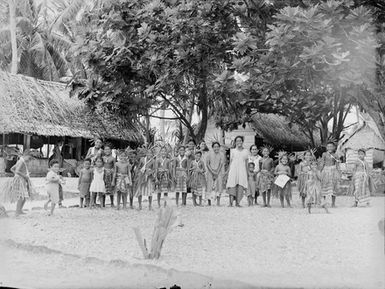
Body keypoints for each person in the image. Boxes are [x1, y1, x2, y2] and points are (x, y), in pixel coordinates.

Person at [7, 151, 33, 216]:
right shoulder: (21, 161)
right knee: (21, 196)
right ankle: (17, 211)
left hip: (20, 179)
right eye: (29, 158)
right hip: (20, 180)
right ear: (25, 155)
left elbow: (12, 169)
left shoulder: (20, 161)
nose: (29, 160)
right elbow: (17, 171)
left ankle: (19, 210)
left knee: (23, 197)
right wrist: (24, 176)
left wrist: (17, 175)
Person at [226, 136, 249, 207]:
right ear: (235, 142)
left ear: (242, 141)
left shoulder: (246, 151)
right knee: (232, 184)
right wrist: (227, 172)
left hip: (242, 170)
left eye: (240, 140)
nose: (239, 142)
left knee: (240, 185)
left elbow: (246, 162)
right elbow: (230, 162)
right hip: (233, 170)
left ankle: (238, 203)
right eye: (237, 141)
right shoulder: (232, 151)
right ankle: (230, 203)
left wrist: (247, 172)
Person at [320, 142, 340, 208]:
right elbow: (322, 163)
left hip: (333, 171)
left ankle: (333, 203)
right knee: (324, 186)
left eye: (331, 146)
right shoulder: (324, 154)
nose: (329, 148)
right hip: (325, 171)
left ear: (334, 147)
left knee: (334, 187)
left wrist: (339, 172)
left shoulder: (336, 155)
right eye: (328, 146)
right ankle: (324, 202)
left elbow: (337, 164)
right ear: (326, 148)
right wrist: (320, 171)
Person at [206, 142, 225, 206]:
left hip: (218, 172)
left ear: (219, 147)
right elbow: (207, 164)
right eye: (215, 147)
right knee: (209, 186)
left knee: (219, 186)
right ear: (212, 147)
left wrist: (217, 172)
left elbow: (221, 164)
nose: (216, 148)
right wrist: (212, 172)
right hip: (210, 172)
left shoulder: (222, 154)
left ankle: (218, 202)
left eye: (217, 147)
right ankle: (209, 203)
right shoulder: (209, 154)